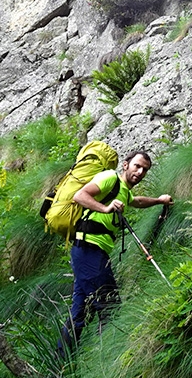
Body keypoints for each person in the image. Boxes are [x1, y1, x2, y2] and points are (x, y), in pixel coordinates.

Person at [57, 149, 172, 356]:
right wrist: (106, 208)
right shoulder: (109, 177)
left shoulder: (124, 192)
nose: (140, 172)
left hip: (91, 252)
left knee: (80, 311)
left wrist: (159, 200)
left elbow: (136, 201)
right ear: (126, 165)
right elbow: (80, 195)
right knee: (110, 306)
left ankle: (60, 363)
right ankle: (108, 359)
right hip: (88, 249)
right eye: (137, 166)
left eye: (144, 170)